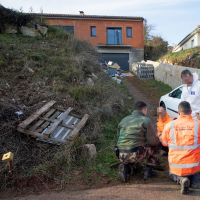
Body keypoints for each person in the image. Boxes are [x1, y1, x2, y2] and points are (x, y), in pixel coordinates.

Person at [160, 101, 200, 194]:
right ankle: (195, 182)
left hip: (177, 166)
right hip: (195, 166)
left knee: (173, 174)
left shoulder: (169, 125)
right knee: (196, 174)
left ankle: (182, 180)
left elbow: (164, 143)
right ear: (190, 111)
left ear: (178, 112)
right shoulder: (198, 124)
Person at [116, 101, 160, 182]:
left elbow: (118, 137)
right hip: (136, 153)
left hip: (120, 153)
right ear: (144, 109)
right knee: (156, 145)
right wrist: (158, 138)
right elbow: (152, 141)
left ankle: (126, 167)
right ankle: (149, 169)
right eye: (146, 110)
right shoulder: (146, 120)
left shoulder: (124, 119)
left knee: (134, 145)